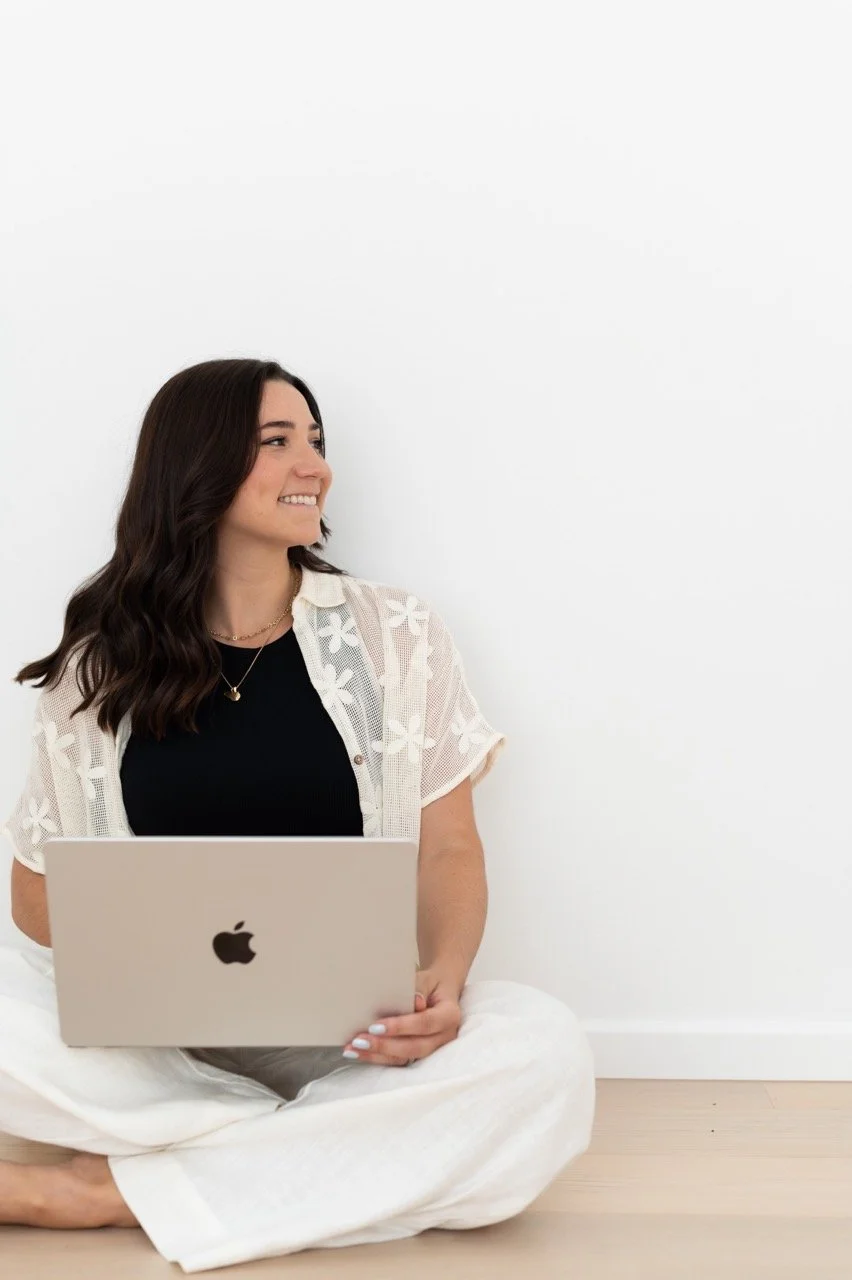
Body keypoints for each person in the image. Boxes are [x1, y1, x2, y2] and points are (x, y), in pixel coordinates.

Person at [0, 358, 596, 1271]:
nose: (312, 463)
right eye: (277, 442)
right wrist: (144, 923)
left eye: (315, 441)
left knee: (544, 1054)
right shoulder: (98, 666)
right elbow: (33, 897)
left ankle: (104, 1187)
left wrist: (446, 972)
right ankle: (332, 1150)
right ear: (196, 466)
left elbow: (447, 848)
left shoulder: (398, 636)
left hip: (346, 1035)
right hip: (150, 1041)